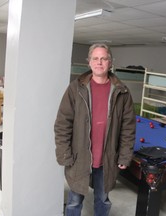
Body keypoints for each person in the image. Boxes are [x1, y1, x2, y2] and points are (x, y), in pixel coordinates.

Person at [54, 43, 136, 216]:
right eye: (95, 58)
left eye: (104, 58)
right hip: (79, 157)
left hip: (107, 158)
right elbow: (62, 123)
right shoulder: (75, 88)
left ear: (110, 62)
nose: (100, 62)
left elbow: (128, 128)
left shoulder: (122, 92)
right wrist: (64, 153)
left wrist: (125, 155)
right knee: (74, 201)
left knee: (103, 200)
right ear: (89, 62)